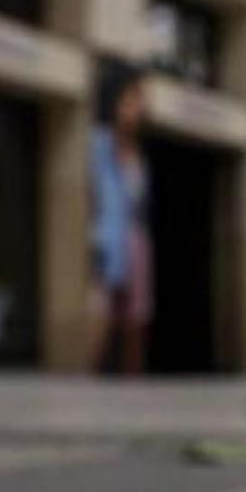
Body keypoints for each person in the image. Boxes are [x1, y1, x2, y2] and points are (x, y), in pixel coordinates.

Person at [90, 62, 153, 376]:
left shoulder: (139, 152)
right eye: (132, 99)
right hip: (104, 241)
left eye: (140, 100)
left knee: (135, 324)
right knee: (102, 322)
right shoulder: (98, 145)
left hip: (135, 240)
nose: (138, 107)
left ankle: (131, 390)